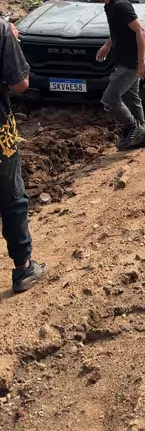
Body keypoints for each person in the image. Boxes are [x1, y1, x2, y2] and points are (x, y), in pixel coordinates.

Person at [0, 19, 47, 293]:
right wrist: (13, 42)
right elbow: (21, 83)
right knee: (12, 198)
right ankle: (23, 267)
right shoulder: (2, 30)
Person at [85, 0, 145, 151]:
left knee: (109, 100)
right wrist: (107, 45)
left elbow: (141, 31)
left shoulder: (120, 5)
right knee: (132, 98)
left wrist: (141, 62)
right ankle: (141, 134)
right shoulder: (110, 5)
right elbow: (120, 30)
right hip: (125, 59)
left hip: (131, 62)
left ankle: (134, 129)